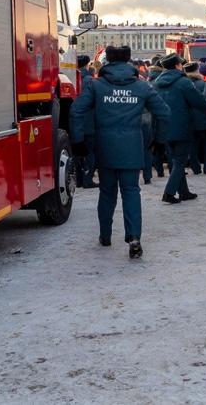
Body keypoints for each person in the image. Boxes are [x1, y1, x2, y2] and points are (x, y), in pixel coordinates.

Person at [71, 46, 170, 259]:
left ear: (107, 61)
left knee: (107, 192)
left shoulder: (96, 86)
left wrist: (78, 141)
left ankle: (105, 235)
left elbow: (76, 111)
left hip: (105, 146)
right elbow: (164, 112)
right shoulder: (141, 87)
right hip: (132, 147)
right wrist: (158, 140)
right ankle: (134, 237)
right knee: (131, 191)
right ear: (128, 61)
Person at [154, 55, 206, 203]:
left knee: (175, 161)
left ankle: (184, 192)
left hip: (164, 128)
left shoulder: (156, 83)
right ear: (177, 66)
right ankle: (168, 193)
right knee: (180, 161)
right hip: (181, 127)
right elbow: (198, 101)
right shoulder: (183, 82)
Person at [183, 62, 206, 175]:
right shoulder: (204, 84)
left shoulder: (184, 85)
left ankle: (195, 168)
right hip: (204, 118)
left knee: (193, 146)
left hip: (189, 119)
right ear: (197, 71)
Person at [75, 55, 98, 189]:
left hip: (75, 120)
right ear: (87, 65)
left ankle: (78, 179)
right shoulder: (90, 80)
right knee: (90, 151)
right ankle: (87, 179)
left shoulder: (72, 77)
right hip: (89, 120)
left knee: (78, 151)